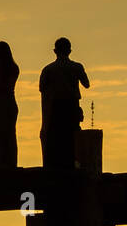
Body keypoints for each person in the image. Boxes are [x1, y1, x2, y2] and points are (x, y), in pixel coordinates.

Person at [38, 38, 89, 169]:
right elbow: (86, 84)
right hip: (72, 106)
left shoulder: (48, 69)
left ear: (55, 51)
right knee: (72, 137)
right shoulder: (77, 67)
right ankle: (72, 164)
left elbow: (42, 88)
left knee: (57, 137)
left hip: (56, 107)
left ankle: (58, 166)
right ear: (70, 51)